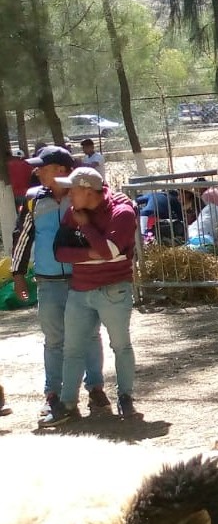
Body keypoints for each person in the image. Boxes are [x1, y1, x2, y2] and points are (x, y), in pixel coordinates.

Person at [13, 147, 109, 426]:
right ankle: (53, 394)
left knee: (90, 335)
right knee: (54, 339)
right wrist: (18, 274)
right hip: (48, 282)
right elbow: (22, 236)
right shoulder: (33, 199)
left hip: (83, 280)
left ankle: (96, 389)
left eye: (42, 167)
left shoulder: (81, 197)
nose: (36, 171)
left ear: (60, 171)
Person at [49, 167, 139, 425]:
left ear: (87, 191)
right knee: (72, 349)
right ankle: (68, 404)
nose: (68, 196)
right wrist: (91, 253)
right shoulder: (73, 212)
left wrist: (87, 228)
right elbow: (59, 251)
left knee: (121, 346)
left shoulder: (121, 212)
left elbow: (110, 251)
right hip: (80, 290)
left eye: (72, 190)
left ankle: (125, 397)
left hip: (114, 290)